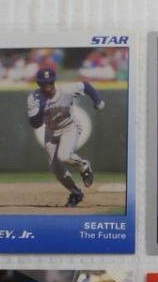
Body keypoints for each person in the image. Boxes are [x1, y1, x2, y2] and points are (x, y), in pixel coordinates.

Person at [27, 64, 105, 208]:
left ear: (54, 81)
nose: (47, 86)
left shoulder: (66, 90)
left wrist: (97, 100)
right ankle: (76, 193)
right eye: (44, 83)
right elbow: (35, 124)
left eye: (50, 82)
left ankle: (84, 166)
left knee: (64, 156)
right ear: (39, 84)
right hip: (50, 132)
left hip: (69, 127)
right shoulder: (34, 98)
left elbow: (86, 86)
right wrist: (41, 108)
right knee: (56, 169)